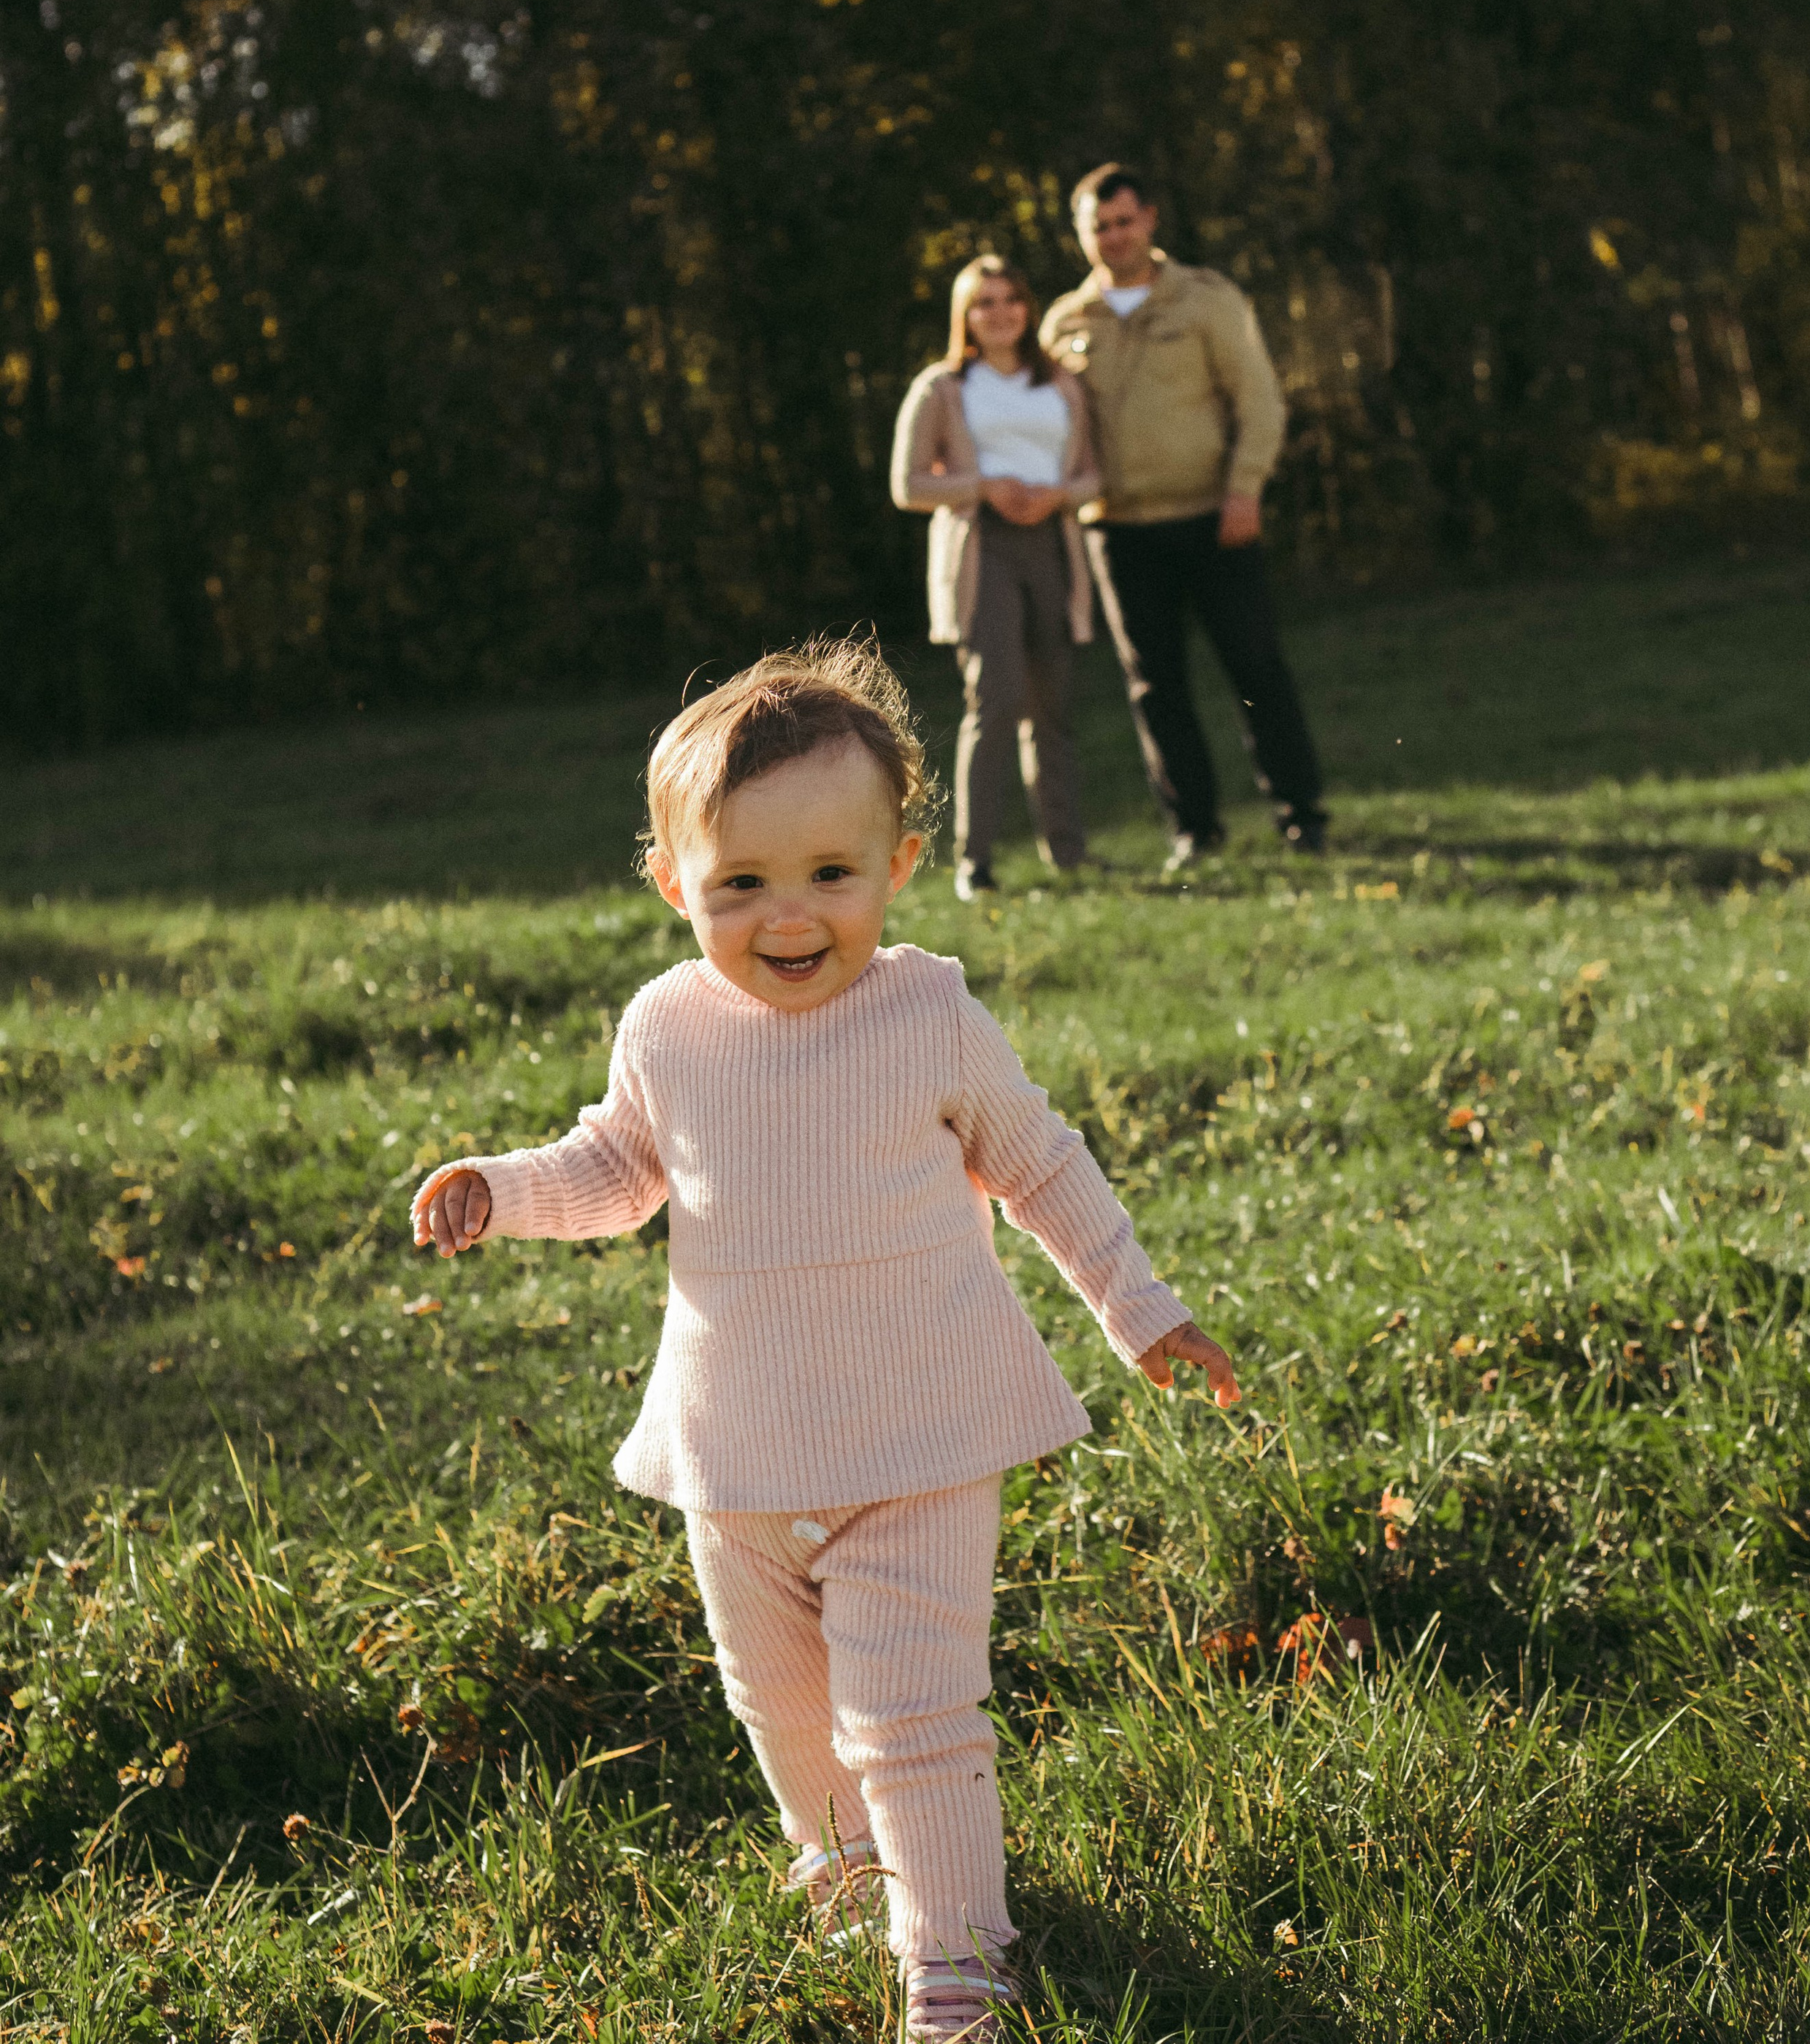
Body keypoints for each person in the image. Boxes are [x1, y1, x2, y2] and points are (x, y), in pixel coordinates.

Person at [410, 641, 1237, 2041]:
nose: (789, 916)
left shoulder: (927, 1013)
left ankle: (959, 1959)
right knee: (781, 1704)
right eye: (741, 884)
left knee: (913, 1711)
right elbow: (613, 1168)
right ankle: (844, 1869)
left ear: (900, 863)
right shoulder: (668, 1026)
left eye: (829, 877)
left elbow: (1043, 1167)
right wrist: (503, 1190)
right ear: (675, 885)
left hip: (918, 1435)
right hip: (735, 1451)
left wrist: (1140, 1312)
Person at [1039, 164, 1328, 870]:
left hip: (1214, 518)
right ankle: (1194, 831)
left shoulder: (1205, 300)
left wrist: (1245, 490)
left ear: (1152, 220)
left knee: (1256, 670)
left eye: (1124, 221)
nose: (1113, 237)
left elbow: (1258, 401)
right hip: (1119, 530)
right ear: (1082, 235)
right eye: (1098, 227)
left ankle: (1302, 818)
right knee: (1155, 687)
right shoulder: (1064, 324)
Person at [890, 254, 1101, 901]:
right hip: (984, 554)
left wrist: (1057, 496)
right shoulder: (943, 387)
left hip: (1053, 547)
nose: (1000, 312)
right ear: (966, 316)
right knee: (999, 699)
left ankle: (1068, 855)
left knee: (1054, 707)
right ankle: (974, 864)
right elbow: (909, 484)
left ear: (1028, 309)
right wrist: (983, 486)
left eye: (1011, 298)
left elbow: (1095, 477)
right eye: (984, 302)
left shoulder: (1061, 384)